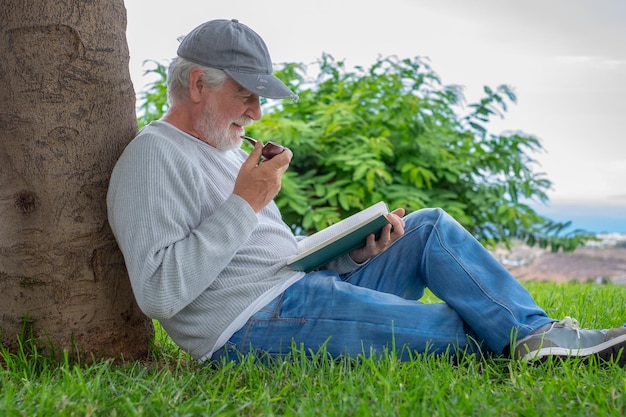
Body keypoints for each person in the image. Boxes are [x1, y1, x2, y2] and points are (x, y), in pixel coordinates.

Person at [107, 19, 626, 366]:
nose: (257, 113)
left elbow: (266, 257)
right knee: (461, 326)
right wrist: (247, 202)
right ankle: (532, 342)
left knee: (427, 227)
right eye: (246, 96)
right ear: (198, 84)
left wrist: (352, 254)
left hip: (293, 290)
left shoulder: (222, 150)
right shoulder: (154, 156)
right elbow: (158, 294)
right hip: (247, 324)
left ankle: (537, 335)